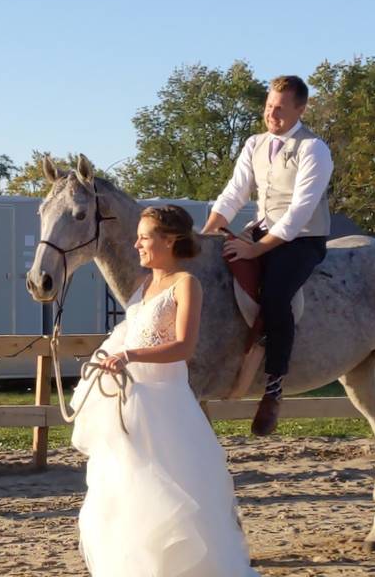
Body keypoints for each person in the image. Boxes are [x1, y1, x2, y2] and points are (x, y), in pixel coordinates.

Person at [71, 205, 257, 577]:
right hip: (134, 404)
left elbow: (184, 347)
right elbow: (129, 332)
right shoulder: (142, 285)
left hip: (168, 405)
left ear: (169, 240)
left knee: (175, 497)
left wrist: (130, 355)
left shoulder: (186, 284)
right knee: (129, 494)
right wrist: (106, 358)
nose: (137, 243)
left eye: (144, 236)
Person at [201, 75, 333, 436]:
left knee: (275, 296)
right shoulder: (255, 143)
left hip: (303, 239)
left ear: (300, 109)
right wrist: (209, 231)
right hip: (262, 227)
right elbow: (234, 191)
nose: (271, 114)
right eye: (268, 106)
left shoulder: (313, 149)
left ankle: (273, 389)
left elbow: (300, 212)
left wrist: (256, 248)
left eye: (279, 108)